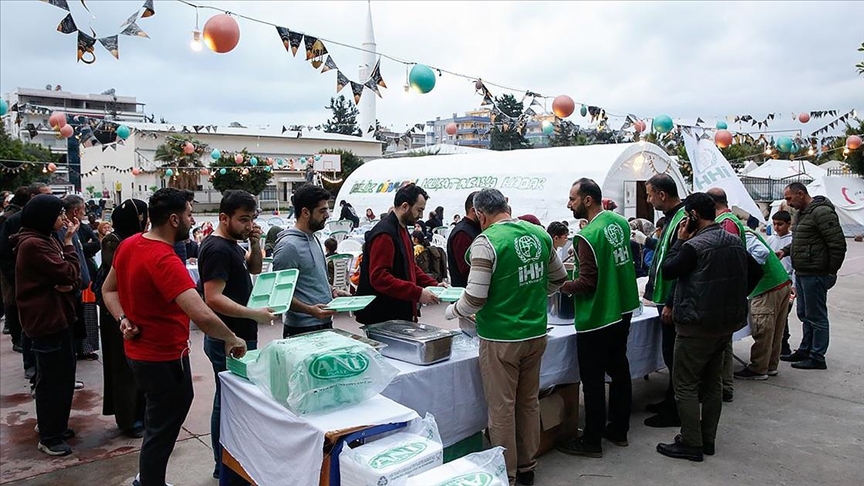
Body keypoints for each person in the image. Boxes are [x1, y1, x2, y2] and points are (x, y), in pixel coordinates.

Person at [100, 188, 247, 486]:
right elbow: (202, 313)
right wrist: (232, 338)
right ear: (173, 219)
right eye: (189, 214)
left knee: (160, 421)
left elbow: (108, 290)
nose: (192, 220)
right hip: (163, 359)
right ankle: (149, 481)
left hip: (139, 354)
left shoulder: (129, 245)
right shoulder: (164, 260)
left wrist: (122, 319)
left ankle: (149, 477)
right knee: (161, 427)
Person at [445, 188, 566, 485]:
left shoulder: (486, 243)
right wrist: (535, 296)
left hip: (500, 339)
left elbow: (474, 299)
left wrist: (451, 311)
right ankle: (527, 468)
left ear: (481, 215)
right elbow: (560, 279)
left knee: (501, 409)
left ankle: (506, 474)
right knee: (528, 402)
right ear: (507, 206)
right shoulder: (539, 234)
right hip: (536, 333)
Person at [655, 193, 759, 462]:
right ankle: (707, 439)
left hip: (696, 326)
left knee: (685, 384)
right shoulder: (734, 241)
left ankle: (691, 442)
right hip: (725, 325)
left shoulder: (694, 246)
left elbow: (668, 270)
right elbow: (757, 272)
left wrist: (679, 240)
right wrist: (734, 296)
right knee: (712, 383)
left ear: (691, 216)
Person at [556, 179, 639, 458]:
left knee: (592, 380)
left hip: (598, 315)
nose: (569, 204)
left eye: (572, 198)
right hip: (624, 307)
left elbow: (587, 283)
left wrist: (558, 285)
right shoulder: (619, 222)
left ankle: (591, 440)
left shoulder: (587, 236)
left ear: (588, 200)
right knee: (619, 369)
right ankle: (619, 430)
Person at [198, 190, 274, 481]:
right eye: (243, 220)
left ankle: (232, 458)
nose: (248, 224)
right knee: (227, 401)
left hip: (239, 335)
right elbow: (213, 298)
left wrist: (255, 243)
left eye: (252, 219)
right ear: (223, 217)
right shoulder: (217, 248)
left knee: (233, 399)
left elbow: (254, 267)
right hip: (227, 337)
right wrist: (253, 313)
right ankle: (223, 463)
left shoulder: (230, 245)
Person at [12, 195, 81, 456]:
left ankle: (55, 424)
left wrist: (67, 281)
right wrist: (69, 245)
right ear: (45, 217)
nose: (64, 219)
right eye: (60, 214)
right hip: (46, 320)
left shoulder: (42, 239)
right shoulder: (34, 244)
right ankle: (50, 435)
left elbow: (68, 279)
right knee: (53, 378)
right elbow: (68, 273)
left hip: (56, 316)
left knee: (62, 375)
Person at [777, 182, 846, 370]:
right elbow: (802, 241)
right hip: (804, 273)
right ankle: (805, 349)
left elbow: (837, 244)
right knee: (804, 314)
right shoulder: (803, 214)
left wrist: (830, 272)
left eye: (789, 198)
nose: (788, 203)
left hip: (816, 273)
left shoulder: (821, 213)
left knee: (816, 316)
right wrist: (785, 251)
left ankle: (817, 356)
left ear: (800, 194)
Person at [354, 184, 442, 324]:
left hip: (399, 311)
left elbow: (409, 266)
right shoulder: (385, 234)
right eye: (419, 210)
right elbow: (379, 278)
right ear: (405, 206)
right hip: (384, 316)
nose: (421, 216)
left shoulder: (402, 228)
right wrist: (417, 293)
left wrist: (433, 284)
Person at [98, 199, 148, 440]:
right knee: (122, 368)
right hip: (116, 313)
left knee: (137, 366)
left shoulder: (134, 240)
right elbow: (117, 274)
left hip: (132, 308)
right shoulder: (114, 241)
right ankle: (129, 418)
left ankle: (140, 412)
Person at [641, 174, 686, 428]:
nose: (648, 199)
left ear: (661, 195)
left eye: (649, 194)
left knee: (674, 356)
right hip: (662, 296)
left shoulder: (681, 219)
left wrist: (670, 301)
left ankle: (675, 408)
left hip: (672, 299)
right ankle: (669, 400)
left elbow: (680, 266)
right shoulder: (671, 219)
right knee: (669, 354)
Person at [273, 184, 339, 337]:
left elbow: (312, 277)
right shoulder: (288, 247)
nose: (327, 215)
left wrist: (332, 290)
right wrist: (310, 310)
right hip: (302, 330)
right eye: (322, 211)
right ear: (305, 212)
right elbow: (280, 295)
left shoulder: (314, 237)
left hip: (323, 323)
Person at [61, 195, 97, 361]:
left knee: (81, 321)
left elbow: (95, 243)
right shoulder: (63, 232)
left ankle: (80, 350)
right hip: (70, 287)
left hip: (80, 284)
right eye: (83, 210)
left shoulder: (75, 229)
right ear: (75, 211)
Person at [767, 210, 795, 356]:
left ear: (789, 224)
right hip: (772, 283)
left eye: (780, 224)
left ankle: (784, 344)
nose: (777, 227)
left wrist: (794, 285)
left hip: (787, 282)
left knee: (783, 316)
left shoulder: (793, 240)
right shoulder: (771, 240)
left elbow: (795, 266)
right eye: (774, 224)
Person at [447, 191, 481, 288]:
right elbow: (466, 269)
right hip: (465, 294)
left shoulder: (473, 228)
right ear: (474, 211)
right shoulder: (462, 233)